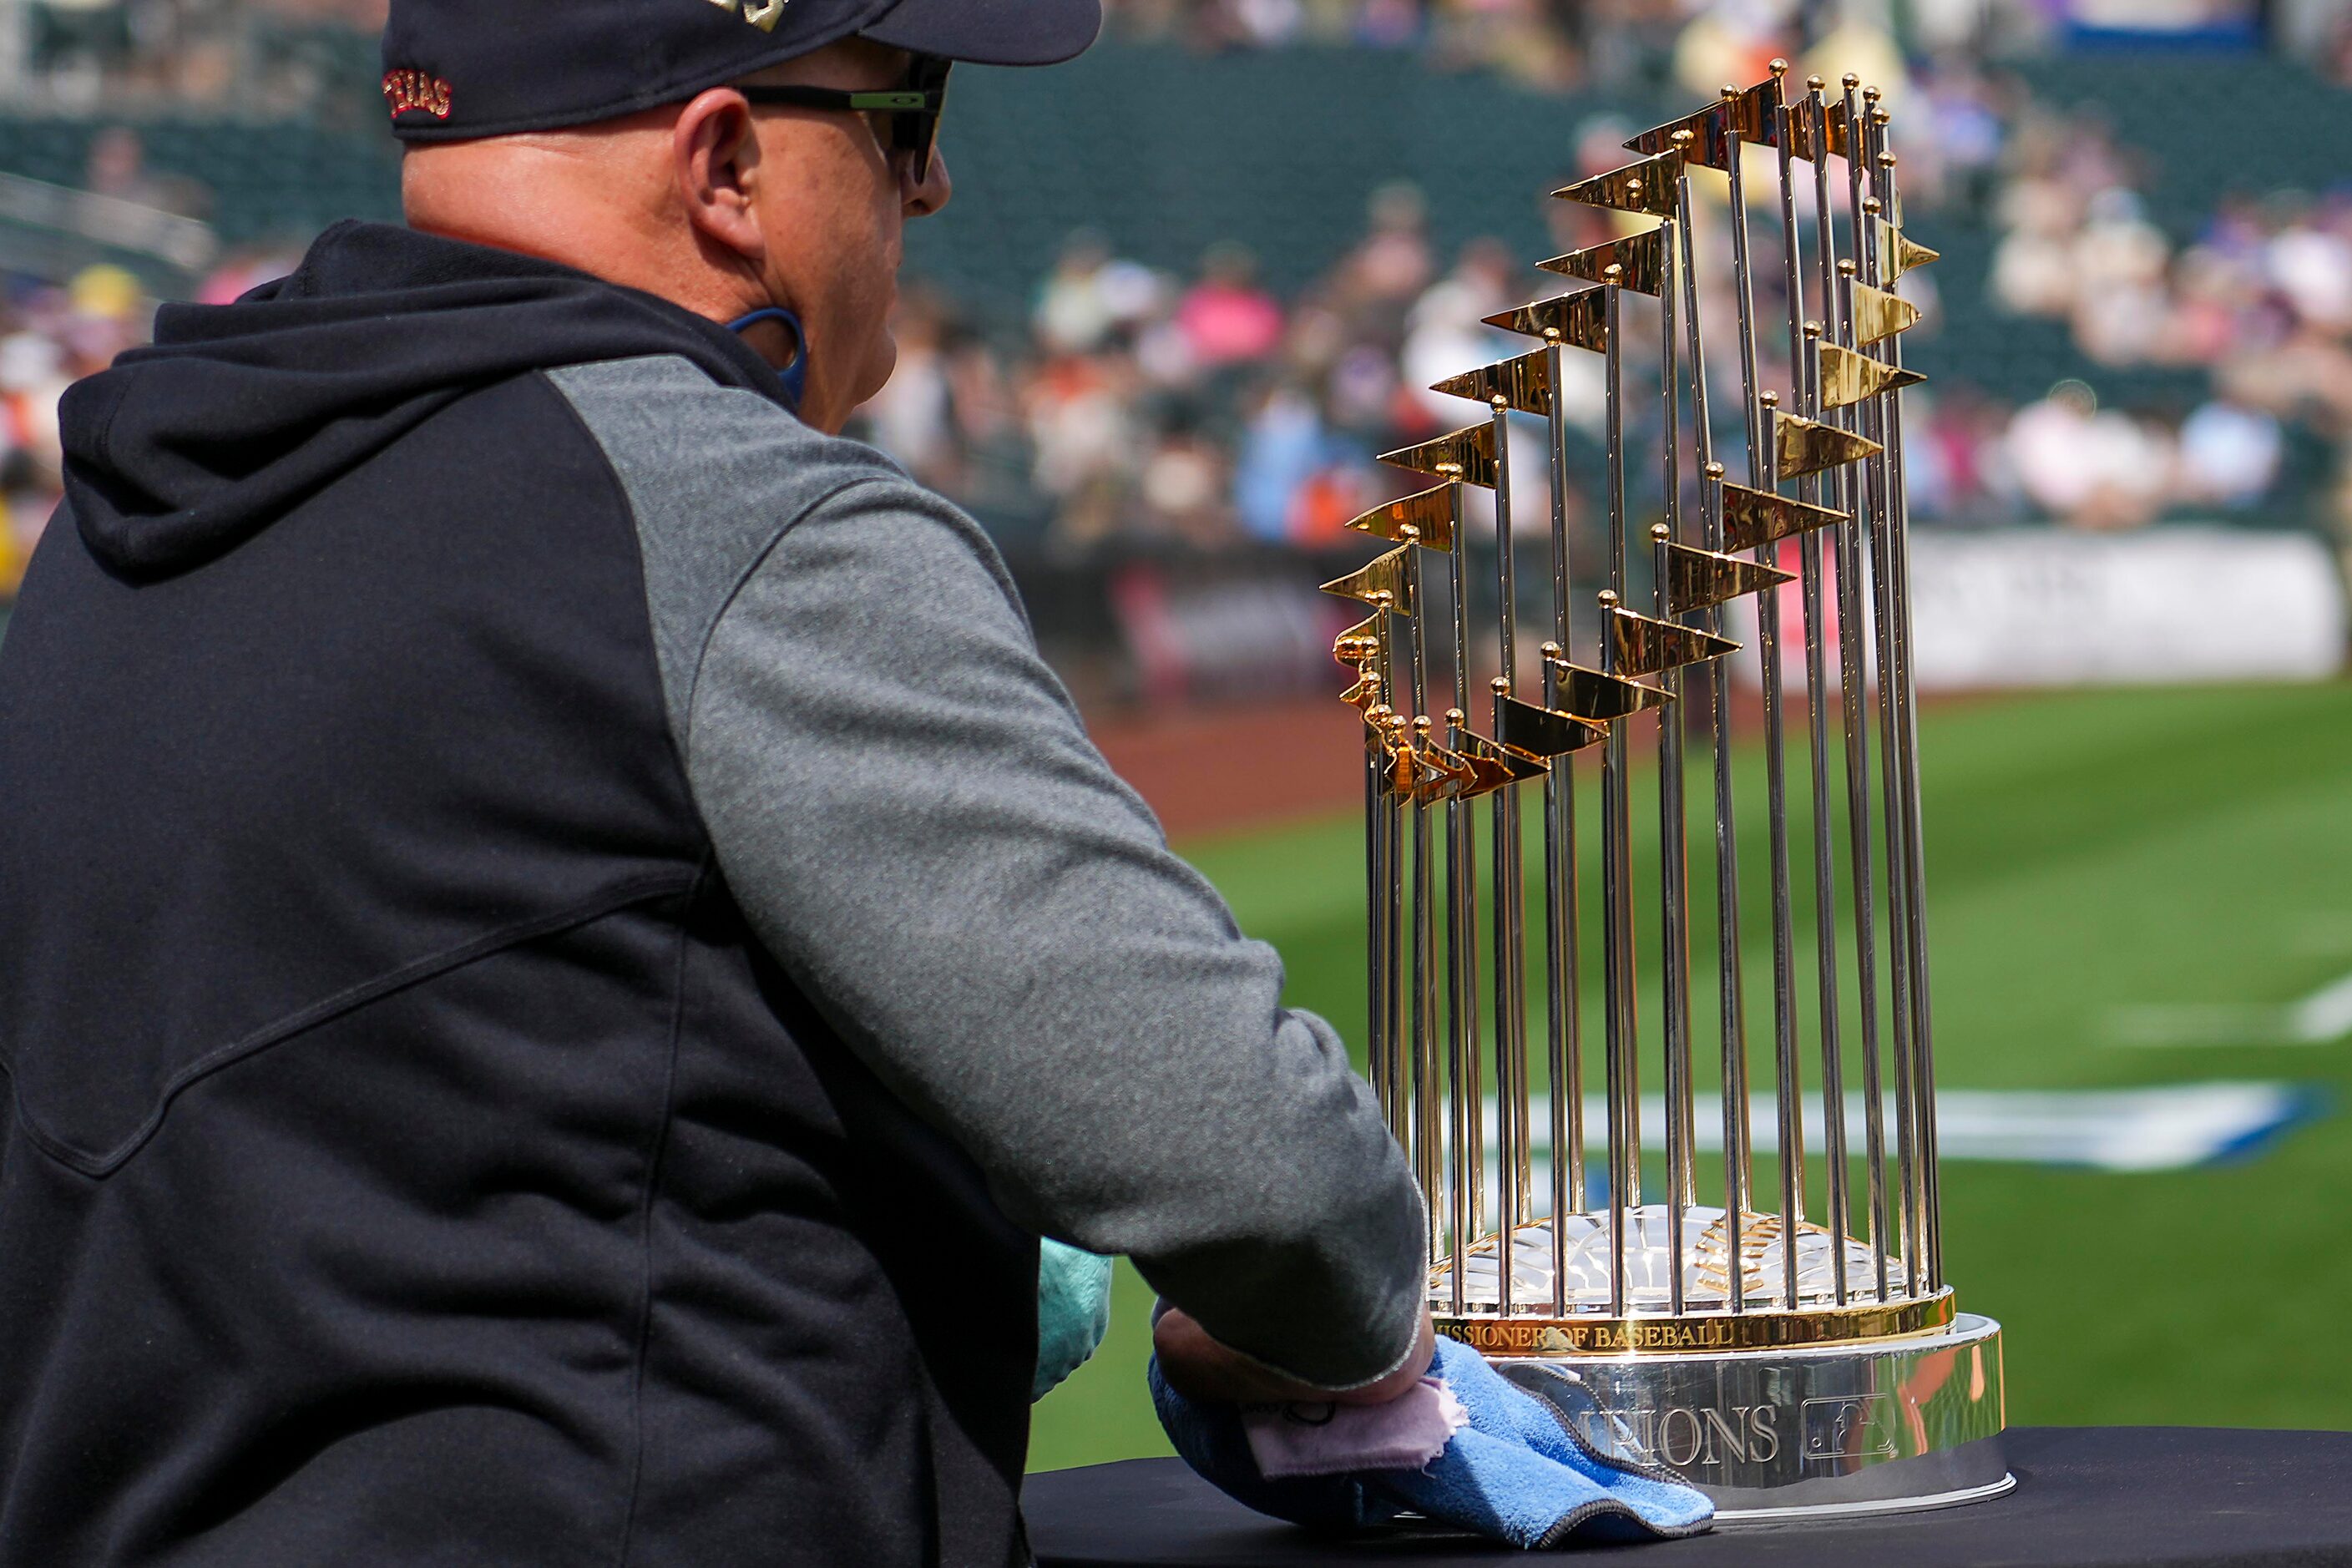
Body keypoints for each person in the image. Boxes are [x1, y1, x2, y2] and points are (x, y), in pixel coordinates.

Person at [0, 2, 1434, 1562]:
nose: (934, 184)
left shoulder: (109, 531)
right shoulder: (736, 521)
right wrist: (1341, 1327)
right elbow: (1264, 1170)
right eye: (909, 113)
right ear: (728, 164)